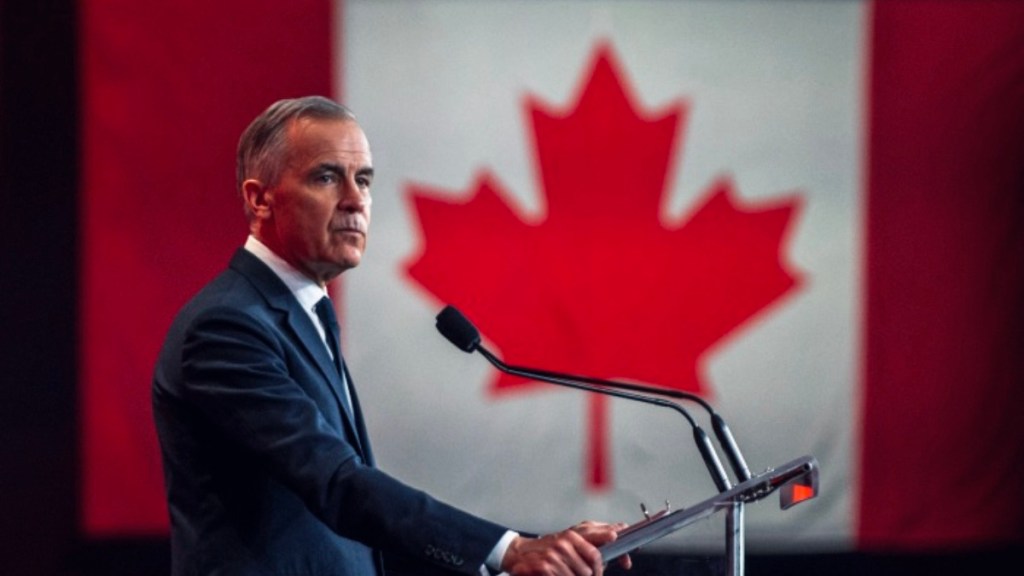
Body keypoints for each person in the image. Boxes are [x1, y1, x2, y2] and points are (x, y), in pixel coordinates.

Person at [152, 95, 632, 576]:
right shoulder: (227, 328)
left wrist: (520, 558)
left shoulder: (303, 313)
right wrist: (510, 548)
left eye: (363, 180)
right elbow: (337, 483)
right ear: (260, 199)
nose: (355, 200)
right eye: (326, 177)